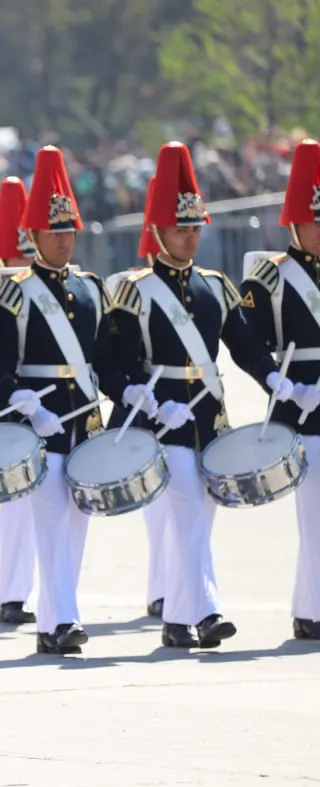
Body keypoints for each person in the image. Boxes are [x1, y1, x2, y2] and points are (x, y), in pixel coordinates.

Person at [104, 142, 284, 649]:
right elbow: (108, 362)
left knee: (199, 519)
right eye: (181, 227)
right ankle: (207, 613)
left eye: (195, 227)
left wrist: (272, 378)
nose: (190, 236)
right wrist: (140, 394)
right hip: (160, 421)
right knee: (186, 511)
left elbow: (245, 344)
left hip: (209, 416)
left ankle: (177, 621)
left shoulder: (215, 286)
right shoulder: (133, 291)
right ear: (158, 231)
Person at [0, 146, 115, 656]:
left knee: (76, 524)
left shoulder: (90, 287)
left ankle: (58, 618)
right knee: (51, 520)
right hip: (40, 423)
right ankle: (61, 621)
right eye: (54, 232)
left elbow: (107, 355)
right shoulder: (14, 291)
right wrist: (22, 399)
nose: (63, 240)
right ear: (32, 236)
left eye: (68, 231)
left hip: (85, 420)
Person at [239, 139, 320, 641]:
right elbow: (245, 337)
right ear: (294, 223)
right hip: (304, 406)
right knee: (315, 518)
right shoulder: (272, 275)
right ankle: (310, 610)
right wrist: (277, 381)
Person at [104, 176, 169, 621]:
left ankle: (167, 589)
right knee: (158, 506)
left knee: (178, 509)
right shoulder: (130, 289)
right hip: (150, 400)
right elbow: (116, 351)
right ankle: (164, 589)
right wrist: (130, 390)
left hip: (193, 405)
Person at [0, 176, 38, 626]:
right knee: (17, 508)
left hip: (51, 403)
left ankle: (25, 591)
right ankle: (12, 595)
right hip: (8, 404)